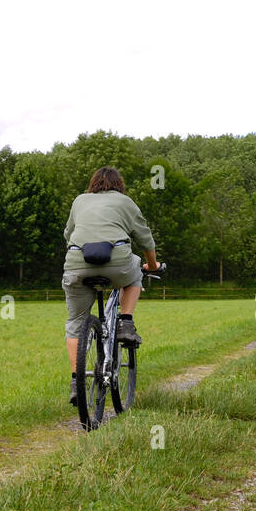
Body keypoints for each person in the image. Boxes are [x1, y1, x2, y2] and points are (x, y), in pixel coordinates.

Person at [63, 167, 161, 406]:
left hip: (77, 263)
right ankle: (125, 322)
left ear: (93, 184)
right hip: (117, 263)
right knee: (136, 268)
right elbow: (145, 237)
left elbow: (68, 234)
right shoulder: (125, 202)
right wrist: (152, 265)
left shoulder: (79, 201)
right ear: (119, 185)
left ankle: (77, 381)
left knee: (75, 323)